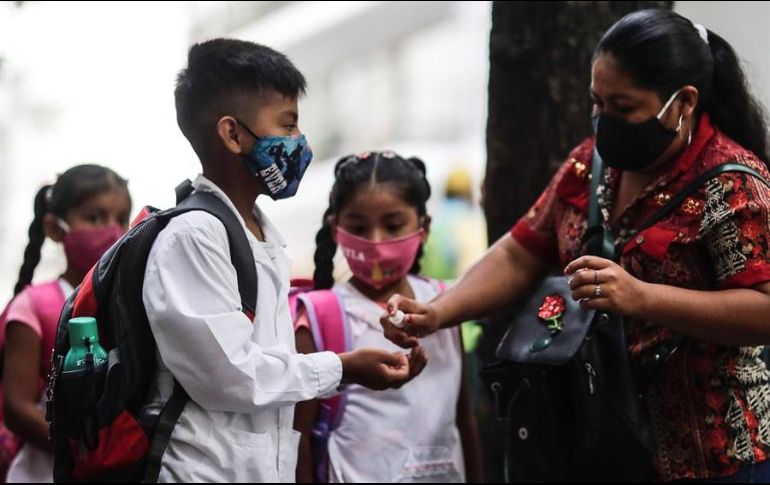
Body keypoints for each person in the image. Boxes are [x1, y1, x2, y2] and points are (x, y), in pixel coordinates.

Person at [380, 9, 770, 482]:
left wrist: (642, 297)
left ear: (682, 101)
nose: (604, 122)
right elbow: (520, 250)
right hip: (596, 447)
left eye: (623, 108)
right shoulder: (590, 165)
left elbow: (762, 311)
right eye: (596, 103)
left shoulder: (732, 185)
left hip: (711, 457)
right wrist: (440, 311)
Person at [141, 39, 423, 483]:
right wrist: (343, 366)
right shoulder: (195, 236)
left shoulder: (256, 231)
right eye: (287, 126)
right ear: (233, 134)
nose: (298, 143)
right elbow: (230, 375)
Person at [293, 151, 483, 483]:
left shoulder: (445, 305)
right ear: (336, 229)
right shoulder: (319, 318)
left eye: (393, 225)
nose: (376, 242)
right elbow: (300, 439)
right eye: (359, 228)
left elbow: (463, 416)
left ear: (423, 228)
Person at [1, 165, 131, 483]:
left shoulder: (129, 304)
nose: (112, 231)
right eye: (95, 217)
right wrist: (82, 447)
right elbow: (16, 408)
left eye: (121, 219)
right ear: (55, 228)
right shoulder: (35, 305)